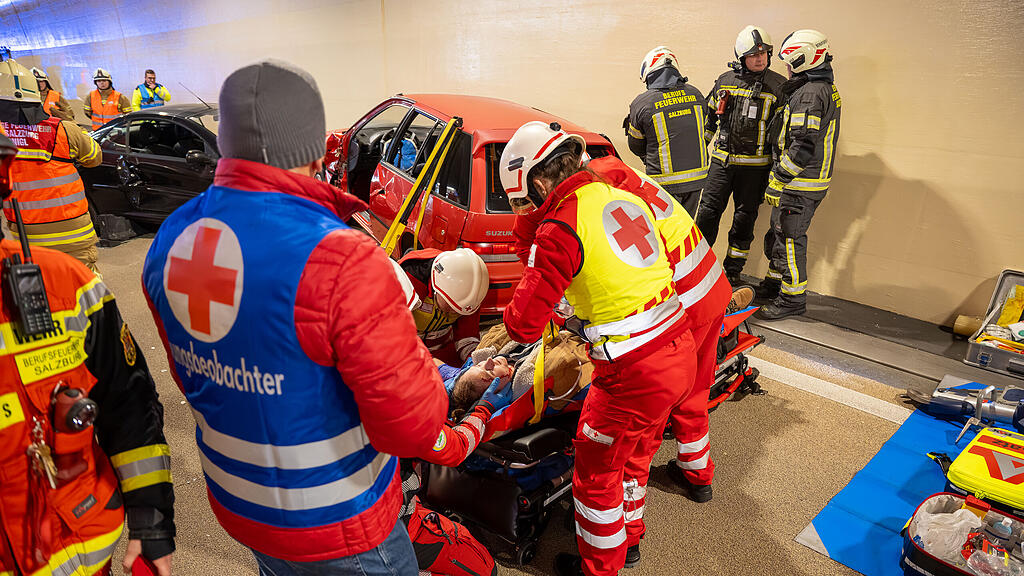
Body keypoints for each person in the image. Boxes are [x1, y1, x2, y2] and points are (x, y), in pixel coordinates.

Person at [142, 59, 448, 575]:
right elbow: (412, 428)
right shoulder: (342, 259)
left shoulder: (171, 238)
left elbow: (192, 378)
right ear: (316, 149)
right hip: (340, 522)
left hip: (240, 505)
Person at [499, 121, 696, 576]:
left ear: (539, 182)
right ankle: (630, 538)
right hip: (678, 347)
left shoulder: (559, 226)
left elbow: (522, 324)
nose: (527, 208)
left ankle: (600, 567)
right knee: (635, 456)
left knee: (595, 474)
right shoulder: (621, 196)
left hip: (633, 373)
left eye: (524, 199)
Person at [0, 132, 175, 575]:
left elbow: (130, 405)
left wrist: (151, 522)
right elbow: (92, 153)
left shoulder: (68, 288)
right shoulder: (60, 130)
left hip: (85, 552)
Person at [755, 29, 842, 320]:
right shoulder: (821, 86)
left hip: (799, 183)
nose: (787, 69)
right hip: (805, 181)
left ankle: (792, 299)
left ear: (803, 60)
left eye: (790, 63)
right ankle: (774, 284)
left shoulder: (809, 93)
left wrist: (779, 179)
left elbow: (803, 145)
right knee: (779, 233)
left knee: (790, 239)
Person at [695, 26, 787, 286]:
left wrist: (777, 173)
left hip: (755, 170)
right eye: (753, 55)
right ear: (741, 56)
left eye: (764, 54)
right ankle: (696, 266)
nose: (760, 59)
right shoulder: (725, 81)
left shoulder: (778, 86)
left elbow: (781, 135)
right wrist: (701, 153)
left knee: (744, 219)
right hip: (721, 164)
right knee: (707, 214)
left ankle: (733, 271)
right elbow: (708, 120)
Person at [0, 58, 103, 272]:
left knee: (45, 287)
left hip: (26, 236)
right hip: (74, 232)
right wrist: (73, 128)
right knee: (84, 286)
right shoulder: (65, 129)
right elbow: (94, 157)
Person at [626, 46, 709, 215]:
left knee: (664, 228)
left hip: (663, 184)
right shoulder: (697, 95)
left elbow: (635, 145)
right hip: (697, 180)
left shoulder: (642, 103)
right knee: (687, 225)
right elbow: (704, 133)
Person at [400, 247, 488, 365]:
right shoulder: (409, 281)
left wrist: (474, 361)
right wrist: (438, 367)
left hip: (442, 352)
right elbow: (395, 339)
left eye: (459, 312)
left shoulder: (471, 293)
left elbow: (467, 337)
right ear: (437, 288)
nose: (453, 313)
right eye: (450, 306)